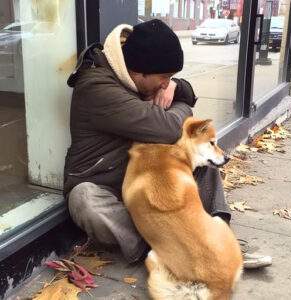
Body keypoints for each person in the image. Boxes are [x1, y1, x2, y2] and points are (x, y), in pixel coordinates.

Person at [64, 19, 271, 269]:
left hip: (145, 178)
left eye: (170, 78)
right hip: (105, 184)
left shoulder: (138, 73)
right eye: (164, 77)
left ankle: (218, 236)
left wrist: (175, 86)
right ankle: (156, 250)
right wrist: (182, 104)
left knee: (200, 156)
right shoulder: (96, 87)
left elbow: (186, 94)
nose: (166, 84)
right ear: (138, 71)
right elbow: (169, 129)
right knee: (84, 199)